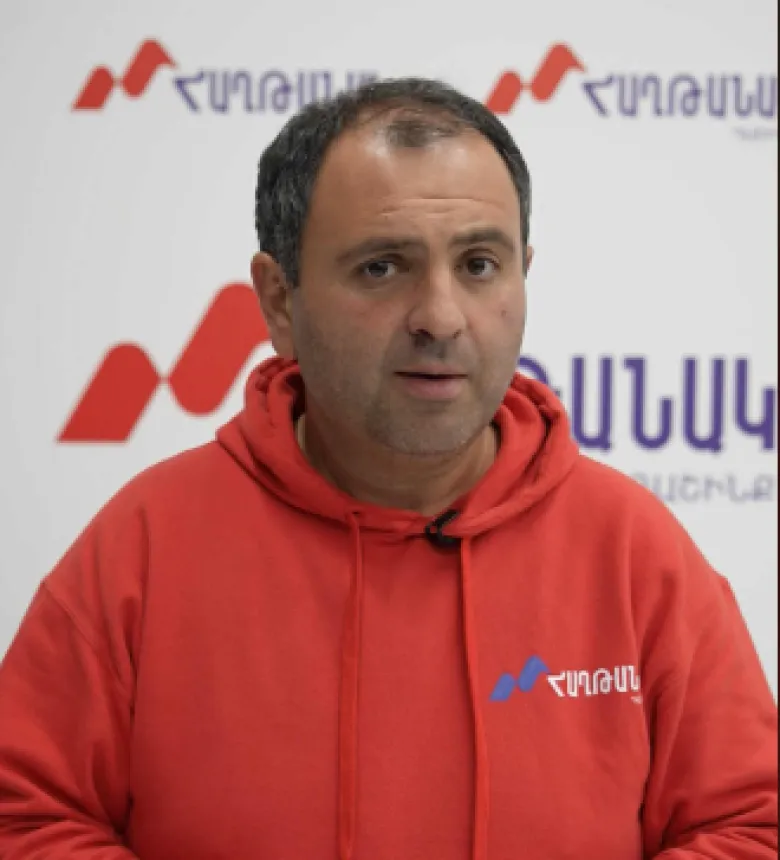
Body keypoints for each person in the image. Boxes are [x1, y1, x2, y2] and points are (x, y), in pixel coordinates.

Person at [0, 77, 776, 860]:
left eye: (479, 264)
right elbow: (23, 816)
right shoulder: (145, 545)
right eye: (382, 268)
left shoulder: (633, 550)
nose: (441, 316)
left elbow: (751, 824)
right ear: (280, 300)